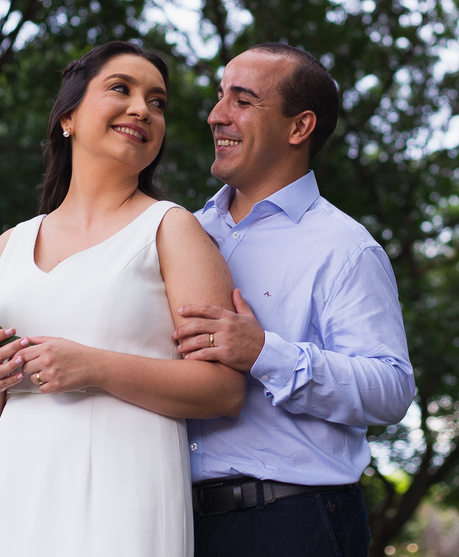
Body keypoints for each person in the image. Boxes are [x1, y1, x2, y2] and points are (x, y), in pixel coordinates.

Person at [0, 41, 245, 557]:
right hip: (14, 498)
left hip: (124, 496)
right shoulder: (10, 245)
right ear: (67, 116)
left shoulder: (171, 230)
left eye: (158, 102)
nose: (142, 108)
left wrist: (93, 367)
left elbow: (222, 390)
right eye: (121, 89)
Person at [172, 43, 416, 557]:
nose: (216, 116)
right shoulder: (181, 233)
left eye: (242, 101)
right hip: (172, 521)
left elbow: (391, 389)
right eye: (220, 97)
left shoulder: (345, 248)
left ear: (299, 127)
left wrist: (265, 354)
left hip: (290, 523)